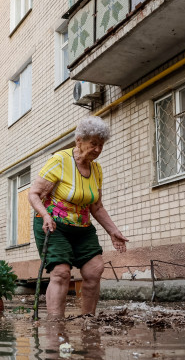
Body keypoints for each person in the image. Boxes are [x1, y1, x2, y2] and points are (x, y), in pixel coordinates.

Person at [28, 115, 128, 318]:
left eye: (101, 145)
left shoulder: (96, 169)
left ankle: (88, 321)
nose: (98, 149)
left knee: (95, 270)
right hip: (53, 225)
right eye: (94, 144)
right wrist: (45, 215)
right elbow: (34, 194)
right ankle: (56, 326)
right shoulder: (60, 160)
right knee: (61, 273)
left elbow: (96, 206)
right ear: (79, 141)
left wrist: (113, 231)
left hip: (82, 228)